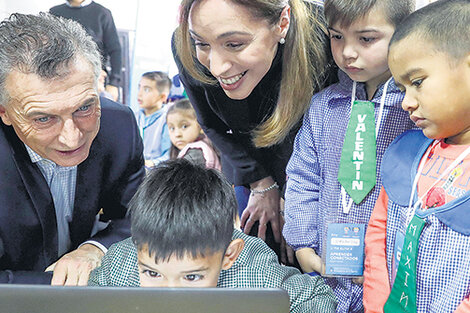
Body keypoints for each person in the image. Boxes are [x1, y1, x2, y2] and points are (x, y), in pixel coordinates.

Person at [172, 0, 332, 262]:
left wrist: (299, 199)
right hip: (252, 164)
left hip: (317, 173)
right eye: (202, 44)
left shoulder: (325, 36)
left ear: (282, 23)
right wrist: (261, 183)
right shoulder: (187, 45)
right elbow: (212, 123)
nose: (216, 68)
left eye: (234, 44)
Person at [282, 0, 415, 311]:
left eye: (366, 39)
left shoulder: (416, 111)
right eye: (336, 36)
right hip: (325, 275)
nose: (347, 52)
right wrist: (302, 243)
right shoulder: (323, 106)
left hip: (389, 279)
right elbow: (303, 177)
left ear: (404, 33)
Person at [0, 13, 144, 285]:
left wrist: (95, 250)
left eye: (84, 108)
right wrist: (62, 286)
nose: (72, 138)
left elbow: (139, 217)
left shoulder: (119, 126)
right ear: (5, 112)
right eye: (43, 118)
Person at [89, 159, 337, 313]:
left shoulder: (257, 274)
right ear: (137, 247)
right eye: (153, 273)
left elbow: (316, 295)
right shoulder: (118, 267)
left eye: (192, 276)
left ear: (229, 255)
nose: (170, 295)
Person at [363, 1, 470, 312]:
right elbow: (378, 236)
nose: (406, 102)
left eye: (418, 82)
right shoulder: (405, 154)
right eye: (401, 87)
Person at [50, 0, 122, 102]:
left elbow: (115, 50)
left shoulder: (102, 13)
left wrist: (114, 84)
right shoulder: (54, 12)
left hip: (94, 79)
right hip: (61, 79)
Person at [167, 99, 221, 170]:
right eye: (172, 128)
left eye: (184, 126)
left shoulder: (195, 153)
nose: (177, 134)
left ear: (200, 126)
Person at [135, 71, 172, 168]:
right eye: (139, 87)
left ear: (163, 96)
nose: (140, 94)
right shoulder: (133, 117)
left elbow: (169, 155)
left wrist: (153, 163)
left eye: (146, 90)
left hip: (155, 173)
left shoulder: (167, 120)